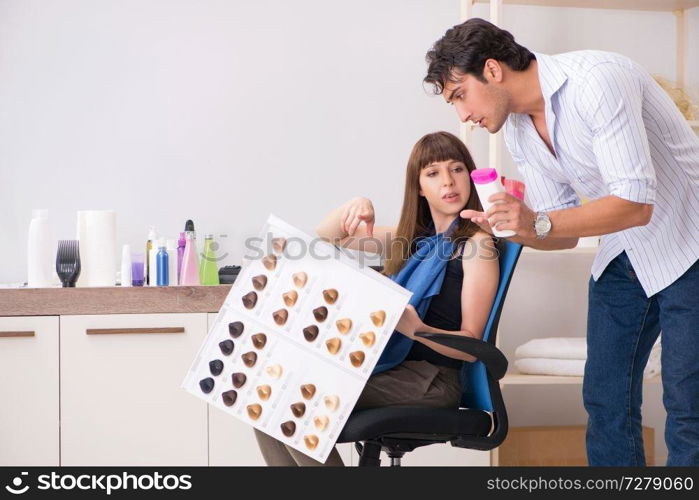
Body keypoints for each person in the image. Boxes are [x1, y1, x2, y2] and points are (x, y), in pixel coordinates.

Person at [423, 18, 699, 466]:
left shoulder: (597, 81)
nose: (463, 116)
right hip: (626, 250)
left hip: (690, 241)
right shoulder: (518, 129)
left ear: (492, 70)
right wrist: (514, 229)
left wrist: (540, 223)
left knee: (689, 405)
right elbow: (560, 235)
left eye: (460, 95)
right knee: (605, 402)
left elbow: (635, 203)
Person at [253, 131, 499, 466]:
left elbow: (471, 346)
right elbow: (325, 240)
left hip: (433, 382)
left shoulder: (476, 245)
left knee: (290, 399)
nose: (448, 181)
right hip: (392, 371)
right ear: (418, 187)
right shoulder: (412, 240)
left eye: (456, 169)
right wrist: (356, 205)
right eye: (433, 173)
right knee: (263, 400)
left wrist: (416, 328)